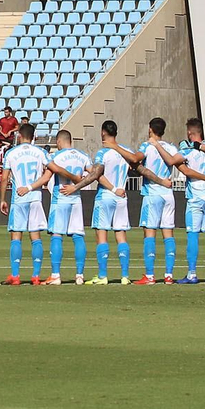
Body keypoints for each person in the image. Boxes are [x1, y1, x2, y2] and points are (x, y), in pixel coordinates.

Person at [82, 119, 149, 285]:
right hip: (121, 196)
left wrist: (111, 189)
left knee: (101, 234)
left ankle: (102, 275)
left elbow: (97, 175)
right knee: (121, 235)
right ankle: (125, 276)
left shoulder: (103, 152)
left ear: (103, 132)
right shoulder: (126, 151)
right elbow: (136, 165)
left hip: (106, 195)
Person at [156, 118, 205, 284]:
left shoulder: (188, 150)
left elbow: (171, 160)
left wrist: (157, 145)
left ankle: (192, 273)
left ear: (190, 134)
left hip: (196, 196)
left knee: (193, 234)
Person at [0, 122, 54, 286]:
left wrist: (2, 199)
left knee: (16, 235)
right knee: (35, 236)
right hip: (35, 197)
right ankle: (36, 276)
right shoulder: (41, 152)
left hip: (18, 199)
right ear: (33, 136)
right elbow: (50, 171)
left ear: (20, 135)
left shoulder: (11, 153)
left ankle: (15, 276)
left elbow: (4, 178)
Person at [42, 130, 90, 285]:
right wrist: (78, 185)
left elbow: (47, 177)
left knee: (57, 235)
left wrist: (30, 187)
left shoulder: (56, 157)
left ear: (59, 142)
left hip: (60, 198)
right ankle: (80, 276)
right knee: (78, 236)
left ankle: (55, 275)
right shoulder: (83, 155)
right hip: (75, 198)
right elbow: (94, 174)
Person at [136, 118, 178, 284]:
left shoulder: (147, 146)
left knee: (149, 233)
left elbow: (136, 158)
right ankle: (169, 275)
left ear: (150, 129)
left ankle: (150, 275)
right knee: (168, 233)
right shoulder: (171, 147)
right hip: (168, 194)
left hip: (152, 194)